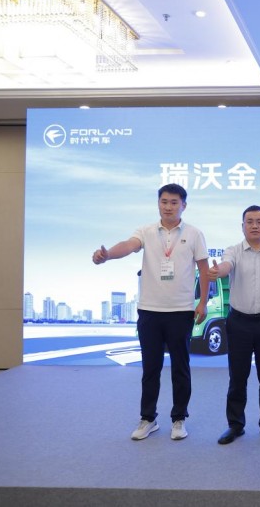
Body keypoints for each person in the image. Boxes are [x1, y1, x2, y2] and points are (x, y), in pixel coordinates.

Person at [92, 183, 209, 441]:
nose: (168, 207)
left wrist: (202, 302)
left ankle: (179, 419)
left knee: (180, 368)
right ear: (158, 203)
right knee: (150, 368)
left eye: (174, 202)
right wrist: (108, 255)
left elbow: (203, 269)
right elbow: (128, 245)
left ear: (184, 205)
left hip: (181, 311)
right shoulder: (146, 231)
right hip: (149, 311)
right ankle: (148, 419)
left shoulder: (194, 233)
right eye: (164, 202)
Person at [209, 205, 260, 445]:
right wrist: (218, 271)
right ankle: (235, 426)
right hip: (239, 323)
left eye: (259, 221)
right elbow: (226, 266)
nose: (255, 225)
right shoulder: (233, 251)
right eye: (250, 221)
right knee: (238, 378)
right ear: (242, 226)